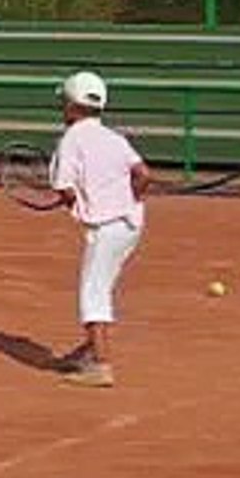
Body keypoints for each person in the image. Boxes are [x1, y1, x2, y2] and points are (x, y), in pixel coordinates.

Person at [48, 71, 151, 388]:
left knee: (92, 292)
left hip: (106, 229)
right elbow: (143, 174)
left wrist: (74, 204)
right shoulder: (115, 138)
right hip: (131, 225)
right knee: (101, 284)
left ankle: (100, 365)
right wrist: (127, 198)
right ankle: (89, 350)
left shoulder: (71, 140)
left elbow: (65, 189)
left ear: (71, 106)